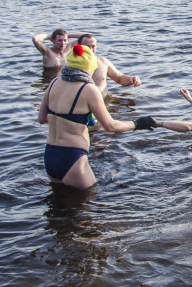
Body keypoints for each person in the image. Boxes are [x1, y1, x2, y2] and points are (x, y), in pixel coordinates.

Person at [39, 44, 155, 189]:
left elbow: (42, 118)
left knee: (60, 204)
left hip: (50, 155)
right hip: (73, 157)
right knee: (90, 201)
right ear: (90, 66)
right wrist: (138, 123)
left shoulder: (54, 83)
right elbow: (110, 126)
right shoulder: (88, 89)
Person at [72, 33, 141, 94]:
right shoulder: (72, 65)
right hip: (84, 104)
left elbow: (119, 78)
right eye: (87, 47)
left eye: (93, 46)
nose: (91, 49)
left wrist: (132, 79)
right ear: (79, 47)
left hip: (104, 102)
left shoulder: (103, 62)